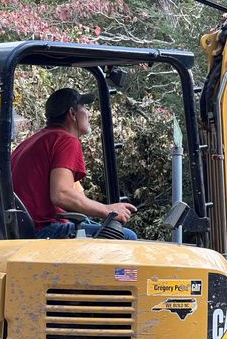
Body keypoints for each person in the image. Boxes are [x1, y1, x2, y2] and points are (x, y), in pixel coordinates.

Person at [11, 87, 137, 239]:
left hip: (24, 229)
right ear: (72, 114)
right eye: (84, 107)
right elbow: (61, 195)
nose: (88, 113)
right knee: (127, 237)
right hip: (44, 231)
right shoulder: (65, 140)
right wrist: (107, 210)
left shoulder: (34, 141)